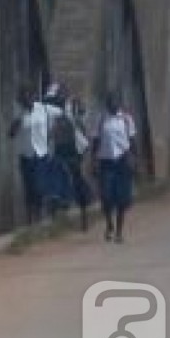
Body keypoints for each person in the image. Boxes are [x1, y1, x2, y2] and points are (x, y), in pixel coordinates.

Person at [10, 83, 67, 224]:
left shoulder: (44, 109)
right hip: (26, 155)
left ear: (34, 97)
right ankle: (31, 218)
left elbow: (63, 116)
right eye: (23, 97)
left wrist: (54, 132)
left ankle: (42, 214)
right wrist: (17, 121)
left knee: (39, 185)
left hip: (41, 154)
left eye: (29, 96)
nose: (26, 99)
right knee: (29, 187)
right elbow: (11, 134)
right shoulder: (18, 113)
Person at [92, 92, 138, 243]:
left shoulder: (126, 119)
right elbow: (96, 141)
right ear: (106, 104)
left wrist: (135, 160)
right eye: (110, 102)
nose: (113, 104)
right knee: (106, 196)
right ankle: (109, 224)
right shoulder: (100, 119)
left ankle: (119, 231)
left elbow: (132, 141)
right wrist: (93, 161)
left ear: (119, 103)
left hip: (122, 161)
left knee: (122, 198)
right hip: (106, 162)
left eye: (115, 102)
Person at [51, 90, 93, 231]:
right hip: (61, 153)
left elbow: (80, 134)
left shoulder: (70, 116)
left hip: (72, 152)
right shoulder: (54, 115)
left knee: (76, 181)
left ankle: (83, 216)